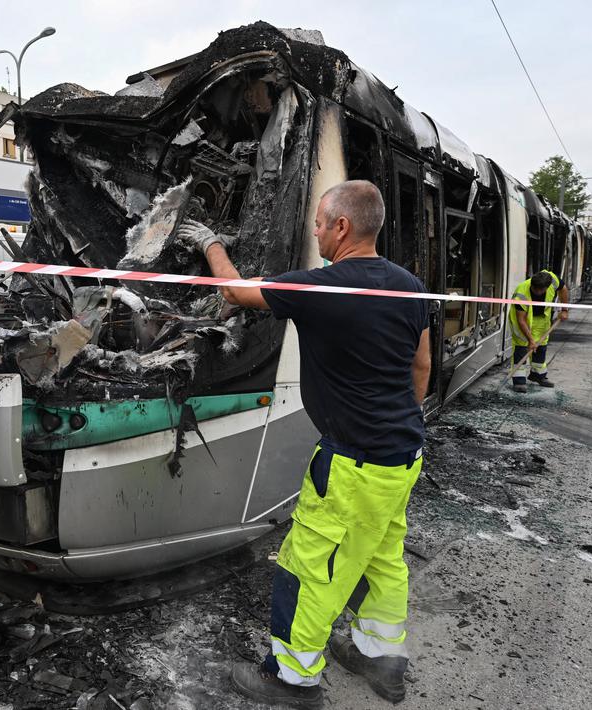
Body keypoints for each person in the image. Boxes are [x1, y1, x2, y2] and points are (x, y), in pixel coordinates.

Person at [177, 180, 430, 707]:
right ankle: (381, 660)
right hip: (403, 456)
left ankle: (292, 679)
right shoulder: (411, 287)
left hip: (354, 462)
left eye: (318, 222)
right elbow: (421, 366)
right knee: (383, 558)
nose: (314, 232)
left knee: (310, 565)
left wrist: (210, 245)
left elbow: (233, 292)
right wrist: (398, 420)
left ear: (342, 226)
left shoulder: (319, 287)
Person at [508, 270, 565, 392]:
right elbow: (521, 320)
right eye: (535, 290)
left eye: (541, 290)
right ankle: (519, 382)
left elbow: (563, 289)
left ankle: (538, 375)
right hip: (524, 320)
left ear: (547, 287)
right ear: (531, 285)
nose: (538, 293)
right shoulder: (521, 292)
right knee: (521, 348)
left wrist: (565, 309)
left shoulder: (553, 280)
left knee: (541, 346)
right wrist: (530, 340)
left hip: (542, 319)